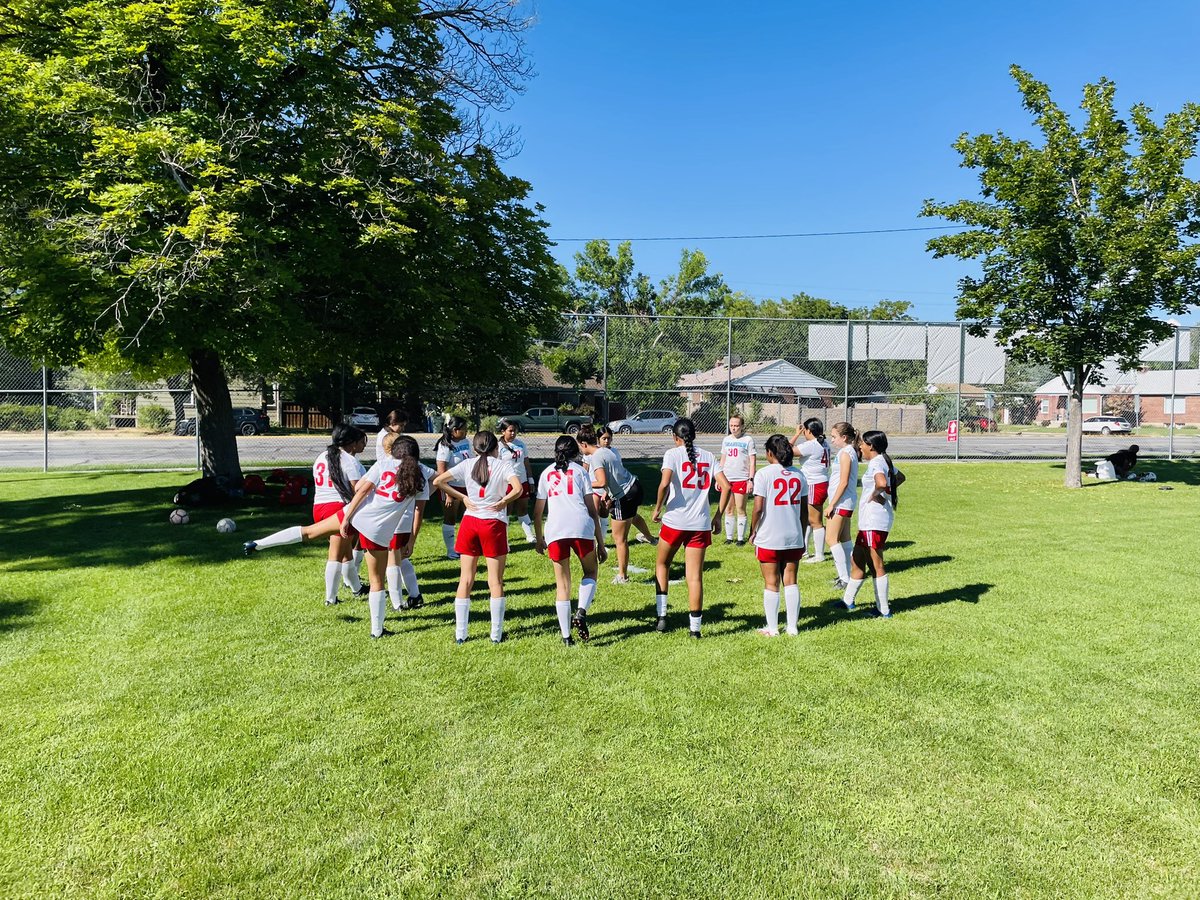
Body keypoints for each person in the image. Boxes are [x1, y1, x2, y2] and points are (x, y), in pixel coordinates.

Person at [244, 431, 428, 639]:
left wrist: (347, 516)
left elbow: (360, 490)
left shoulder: (383, 464)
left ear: (394, 451)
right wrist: (411, 540)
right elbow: (418, 511)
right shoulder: (420, 477)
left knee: (309, 532)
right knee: (377, 582)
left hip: (357, 515)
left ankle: (258, 544)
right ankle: (377, 631)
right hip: (378, 531)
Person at [432, 431, 524, 644]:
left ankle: (461, 634)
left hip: (470, 523)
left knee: (465, 579)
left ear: (474, 448)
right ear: (495, 448)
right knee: (496, 581)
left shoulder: (467, 464)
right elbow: (518, 489)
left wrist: (462, 497)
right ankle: (496, 634)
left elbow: (439, 481)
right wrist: (503, 501)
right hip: (493, 523)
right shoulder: (503, 465)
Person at [651, 417, 729, 638]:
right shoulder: (708, 456)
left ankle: (662, 617)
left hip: (675, 521)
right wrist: (718, 516)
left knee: (662, 564)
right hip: (700, 523)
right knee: (694, 576)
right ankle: (695, 630)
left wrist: (657, 508)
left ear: (675, 437)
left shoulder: (672, 454)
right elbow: (727, 486)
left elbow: (664, 484)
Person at [533, 435, 608, 645]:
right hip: (581, 526)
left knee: (562, 585)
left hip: (556, 530)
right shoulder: (581, 472)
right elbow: (592, 510)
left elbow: (538, 512)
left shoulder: (546, 473)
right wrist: (600, 543)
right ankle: (581, 611)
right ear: (575, 452)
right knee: (591, 571)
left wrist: (539, 539)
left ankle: (566, 637)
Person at [577, 426, 656, 585]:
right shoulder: (606, 451)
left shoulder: (596, 457)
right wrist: (607, 493)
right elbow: (614, 475)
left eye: (579, 446)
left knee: (619, 539)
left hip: (624, 495)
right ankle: (650, 538)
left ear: (584, 444)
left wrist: (582, 483)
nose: (580, 449)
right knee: (632, 517)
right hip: (634, 486)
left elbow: (602, 481)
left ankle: (622, 576)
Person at [841, 430, 906, 618]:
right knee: (857, 559)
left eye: (862, 443)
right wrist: (888, 493)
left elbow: (881, 482)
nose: (860, 446)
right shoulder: (884, 460)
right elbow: (900, 477)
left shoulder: (877, 462)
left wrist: (876, 495)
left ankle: (883, 609)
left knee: (876, 564)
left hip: (874, 521)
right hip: (871, 521)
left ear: (871, 446)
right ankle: (848, 601)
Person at [748, 434, 807, 636]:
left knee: (771, 582)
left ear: (770, 453)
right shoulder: (800, 475)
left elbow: (757, 508)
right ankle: (792, 627)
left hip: (770, 535)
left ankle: (772, 629)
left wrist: (752, 531)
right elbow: (805, 512)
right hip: (793, 535)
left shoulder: (764, 474)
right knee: (791, 580)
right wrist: (802, 534)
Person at [309, 424, 368, 604]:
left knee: (345, 553)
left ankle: (357, 588)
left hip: (318, 507)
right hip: (337, 508)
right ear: (351, 443)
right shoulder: (350, 461)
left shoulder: (322, 456)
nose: (364, 445)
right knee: (335, 554)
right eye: (361, 441)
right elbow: (357, 491)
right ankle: (330, 598)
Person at [384, 433, 435, 612]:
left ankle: (397, 603)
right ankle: (415, 595)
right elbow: (437, 477)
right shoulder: (419, 469)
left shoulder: (387, 465)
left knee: (392, 563)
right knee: (401, 559)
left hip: (393, 522)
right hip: (404, 523)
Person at [824, 422, 860, 589]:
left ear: (844, 437)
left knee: (831, 539)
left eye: (834, 437)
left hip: (842, 502)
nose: (832, 440)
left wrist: (832, 504)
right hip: (846, 501)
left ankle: (845, 578)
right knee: (845, 539)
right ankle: (852, 574)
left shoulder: (846, 453)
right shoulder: (848, 452)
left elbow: (844, 481)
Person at [791, 418, 831, 563]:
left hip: (814, 484)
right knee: (808, 519)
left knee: (815, 521)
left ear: (809, 431)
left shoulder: (812, 445)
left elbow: (786, 450)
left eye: (805, 430)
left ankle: (819, 554)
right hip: (819, 482)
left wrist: (795, 435)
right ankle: (805, 551)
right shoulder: (823, 443)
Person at [434, 415, 473, 560]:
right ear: (454, 430)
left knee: (467, 517)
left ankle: (465, 546)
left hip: (466, 485)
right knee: (450, 518)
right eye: (463, 430)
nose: (466, 432)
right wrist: (448, 493)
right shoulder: (444, 445)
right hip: (451, 486)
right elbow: (441, 471)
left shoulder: (466, 441)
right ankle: (451, 550)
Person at [497, 417, 538, 543]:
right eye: (510, 431)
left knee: (523, 509)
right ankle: (504, 538)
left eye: (515, 430)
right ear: (503, 431)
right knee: (507, 510)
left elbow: (526, 462)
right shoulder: (498, 447)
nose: (513, 433)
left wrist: (530, 480)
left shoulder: (521, 444)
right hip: (507, 483)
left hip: (522, 481)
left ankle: (530, 535)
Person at [719, 414, 757, 545]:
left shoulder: (748, 440)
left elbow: (752, 461)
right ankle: (729, 537)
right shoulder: (726, 440)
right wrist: (720, 478)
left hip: (741, 478)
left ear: (742, 426)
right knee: (728, 508)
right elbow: (723, 459)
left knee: (740, 507)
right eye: (731, 425)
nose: (733, 428)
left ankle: (740, 538)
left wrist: (750, 479)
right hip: (727, 478)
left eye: (736, 426)